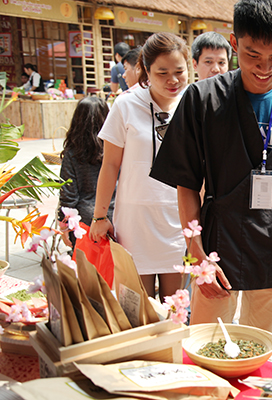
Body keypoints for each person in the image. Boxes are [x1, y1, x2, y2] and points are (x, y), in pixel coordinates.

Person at [150, 0, 272, 333]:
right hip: (217, 249)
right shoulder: (203, 99)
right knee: (207, 348)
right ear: (234, 43)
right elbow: (186, 184)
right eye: (253, 56)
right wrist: (196, 256)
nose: (265, 68)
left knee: (257, 349)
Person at [89, 32, 189, 300]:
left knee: (174, 310)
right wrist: (100, 216)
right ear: (146, 70)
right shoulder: (126, 104)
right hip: (135, 223)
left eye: (179, 71)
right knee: (136, 309)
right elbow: (110, 164)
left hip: (177, 222)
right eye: (162, 72)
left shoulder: (192, 104)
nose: (173, 80)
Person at [59, 97, 114, 247]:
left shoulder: (72, 154)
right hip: (115, 218)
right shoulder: (116, 151)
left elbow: (68, 194)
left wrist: (64, 226)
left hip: (83, 222)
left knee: (87, 267)